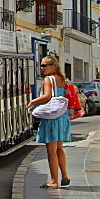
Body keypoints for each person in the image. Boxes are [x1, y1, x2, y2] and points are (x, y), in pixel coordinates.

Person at [28, 55, 71, 188]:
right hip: (62, 115)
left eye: (44, 65)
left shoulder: (49, 79)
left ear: (53, 66)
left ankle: (53, 180)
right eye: (41, 65)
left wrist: (32, 102)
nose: (42, 68)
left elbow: (47, 96)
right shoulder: (62, 79)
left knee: (51, 150)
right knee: (59, 148)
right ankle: (64, 175)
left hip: (52, 116)